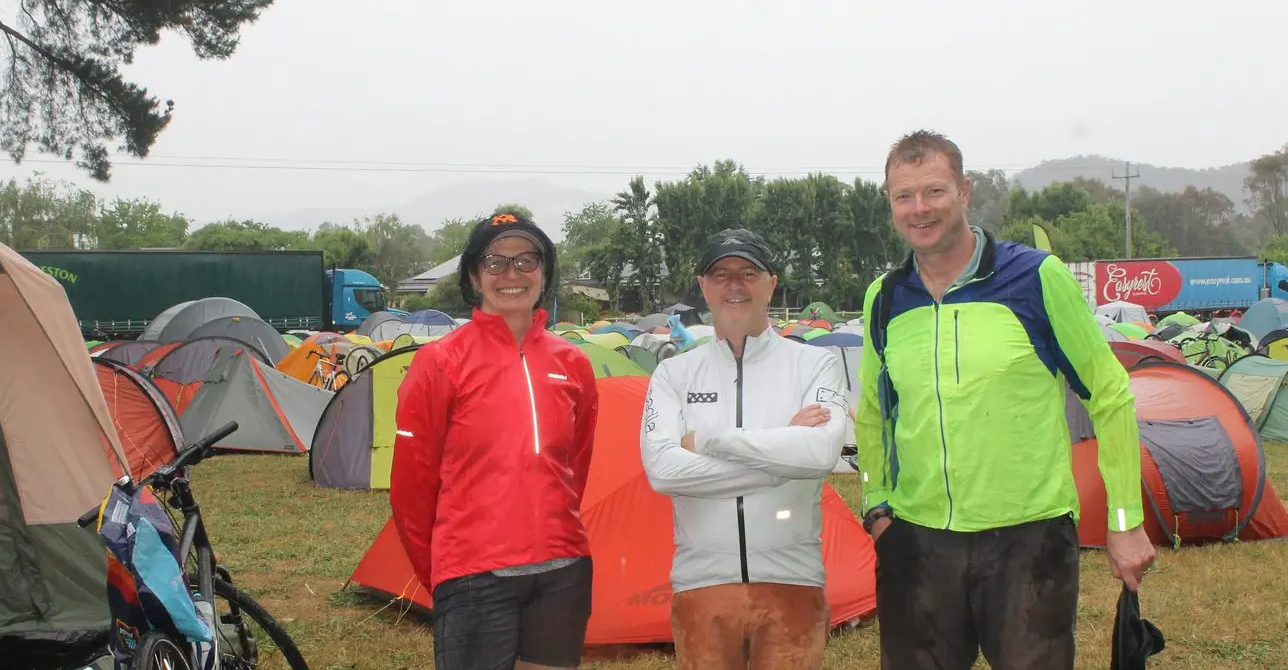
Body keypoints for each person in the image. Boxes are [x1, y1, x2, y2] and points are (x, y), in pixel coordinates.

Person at [855, 130, 1157, 670]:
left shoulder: (1037, 278)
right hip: (917, 542)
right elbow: (876, 412)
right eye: (904, 196)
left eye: (934, 191)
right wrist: (877, 505)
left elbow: (1110, 395)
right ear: (890, 202)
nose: (920, 208)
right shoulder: (885, 297)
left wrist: (1124, 518)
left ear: (964, 191)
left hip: (1029, 542)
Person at [389, 211, 600, 670]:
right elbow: (411, 486)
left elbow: (576, 466)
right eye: (495, 262)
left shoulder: (573, 363)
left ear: (544, 272)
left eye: (527, 260)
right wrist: (441, 570)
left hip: (563, 569)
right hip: (473, 572)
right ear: (473, 275)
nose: (512, 274)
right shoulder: (439, 362)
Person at [640, 228, 851, 670]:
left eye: (748, 273)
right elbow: (662, 471)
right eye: (721, 274)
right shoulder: (674, 374)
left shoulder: (816, 363)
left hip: (793, 581)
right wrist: (782, 451)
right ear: (703, 286)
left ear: (771, 284)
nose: (734, 284)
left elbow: (820, 454)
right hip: (701, 585)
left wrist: (708, 440)